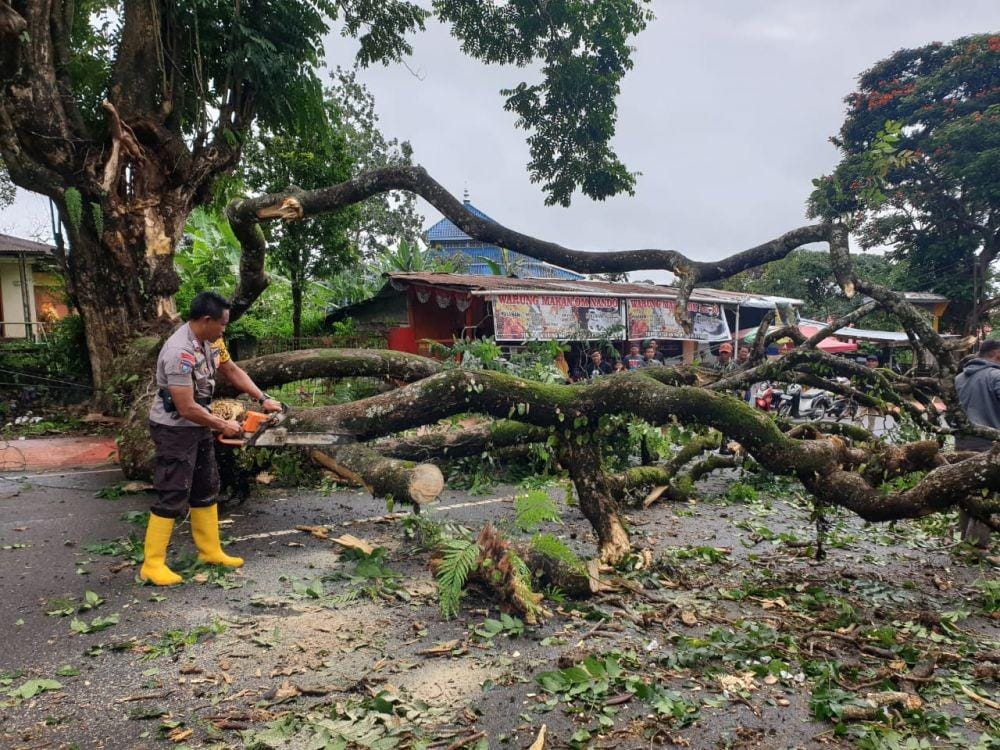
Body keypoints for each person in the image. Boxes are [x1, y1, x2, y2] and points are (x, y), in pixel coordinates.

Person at [140, 291, 282, 586]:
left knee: (206, 486)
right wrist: (222, 425)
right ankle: (152, 565)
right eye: (222, 324)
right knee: (174, 491)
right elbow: (185, 407)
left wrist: (263, 398)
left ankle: (210, 551)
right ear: (206, 320)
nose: (225, 329)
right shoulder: (179, 353)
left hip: (198, 423)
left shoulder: (213, 341)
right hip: (174, 429)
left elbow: (231, 369)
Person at [953, 340, 1000, 549]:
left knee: (967, 491)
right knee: (986, 493)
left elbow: (950, 412)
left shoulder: (958, 378)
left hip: (962, 443)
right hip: (989, 444)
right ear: (997, 354)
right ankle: (977, 545)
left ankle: (966, 538)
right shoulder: (995, 377)